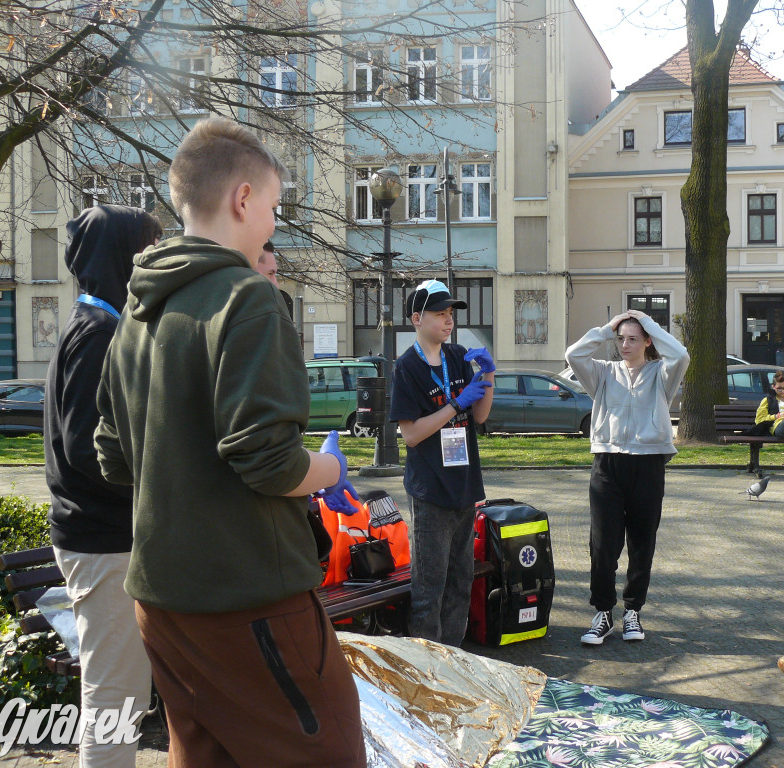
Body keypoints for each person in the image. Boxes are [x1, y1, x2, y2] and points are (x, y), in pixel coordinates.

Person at [94, 117, 366, 767]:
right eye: (273, 207)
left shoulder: (136, 314)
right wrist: (330, 468)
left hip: (161, 602)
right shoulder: (246, 297)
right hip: (251, 602)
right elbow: (268, 461)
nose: (274, 223)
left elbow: (110, 455)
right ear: (243, 199)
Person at [45, 204, 161, 768]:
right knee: (115, 698)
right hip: (104, 543)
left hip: (105, 542)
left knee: (123, 693)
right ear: (123, 257)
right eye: (148, 250)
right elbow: (85, 450)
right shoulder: (97, 333)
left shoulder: (97, 324)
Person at [565, 309, 689, 645]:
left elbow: (681, 353)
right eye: (621, 339)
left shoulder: (662, 374)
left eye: (633, 339)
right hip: (608, 462)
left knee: (641, 542)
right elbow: (573, 354)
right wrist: (606, 329)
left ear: (647, 341)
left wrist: (649, 323)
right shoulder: (602, 373)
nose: (624, 345)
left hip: (648, 465)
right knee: (603, 543)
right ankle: (603, 612)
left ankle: (632, 611)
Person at [389, 279, 494, 646]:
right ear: (417, 318)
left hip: (464, 487)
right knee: (429, 588)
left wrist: (488, 377)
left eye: (451, 314)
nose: (448, 322)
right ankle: (427, 668)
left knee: (460, 583)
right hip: (431, 491)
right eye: (440, 314)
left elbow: (479, 417)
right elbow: (412, 435)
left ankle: (454, 661)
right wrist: (455, 404)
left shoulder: (457, 356)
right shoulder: (407, 368)